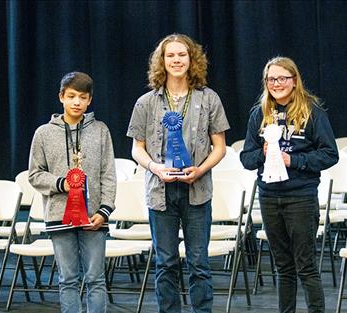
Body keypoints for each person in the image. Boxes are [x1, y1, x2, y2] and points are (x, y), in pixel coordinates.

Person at [127, 33, 230, 313]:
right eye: (170, 55)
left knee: (199, 262)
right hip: (160, 193)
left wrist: (201, 170)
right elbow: (137, 149)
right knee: (166, 262)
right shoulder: (146, 102)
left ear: (191, 59)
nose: (176, 60)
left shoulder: (209, 98)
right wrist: (155, 167)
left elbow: (220, 147)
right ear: (161, 61)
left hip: (197, 191)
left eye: (181, 55)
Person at [240, 57, 338, 313]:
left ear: (294, 81)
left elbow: (330, 154)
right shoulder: (258, 114)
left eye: (283, 78)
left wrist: (293, 160)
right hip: (269, 197)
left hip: (301, 197)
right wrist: (263, 154)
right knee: (283, 267)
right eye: (271, 79)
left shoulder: (312, 112)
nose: (277, 83)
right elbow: (246, 159)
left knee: (305, 266)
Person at [29, 71, 116, 313]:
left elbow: (108, 173)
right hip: (59, 216)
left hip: (94, 217)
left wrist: (105, 210)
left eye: (82, 97)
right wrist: (61, 184)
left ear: (89, 100)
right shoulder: (44, 133)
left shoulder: (100, 130)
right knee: (67, 279)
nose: (76, 102)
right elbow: (35, 174)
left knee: (96, 279)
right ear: (61, 97)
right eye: (71, 96)